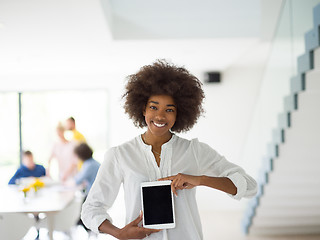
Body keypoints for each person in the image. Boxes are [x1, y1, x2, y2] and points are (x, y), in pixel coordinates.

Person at [81, 60, 258, 240]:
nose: (160, 116)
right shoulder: (120, 155)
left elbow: (250, 186)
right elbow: (91, 209)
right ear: (143, 109)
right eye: (153, 107)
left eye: (169, 109)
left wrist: (199, 180)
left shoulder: (194, 151)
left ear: (178, 113)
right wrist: (119, 233)